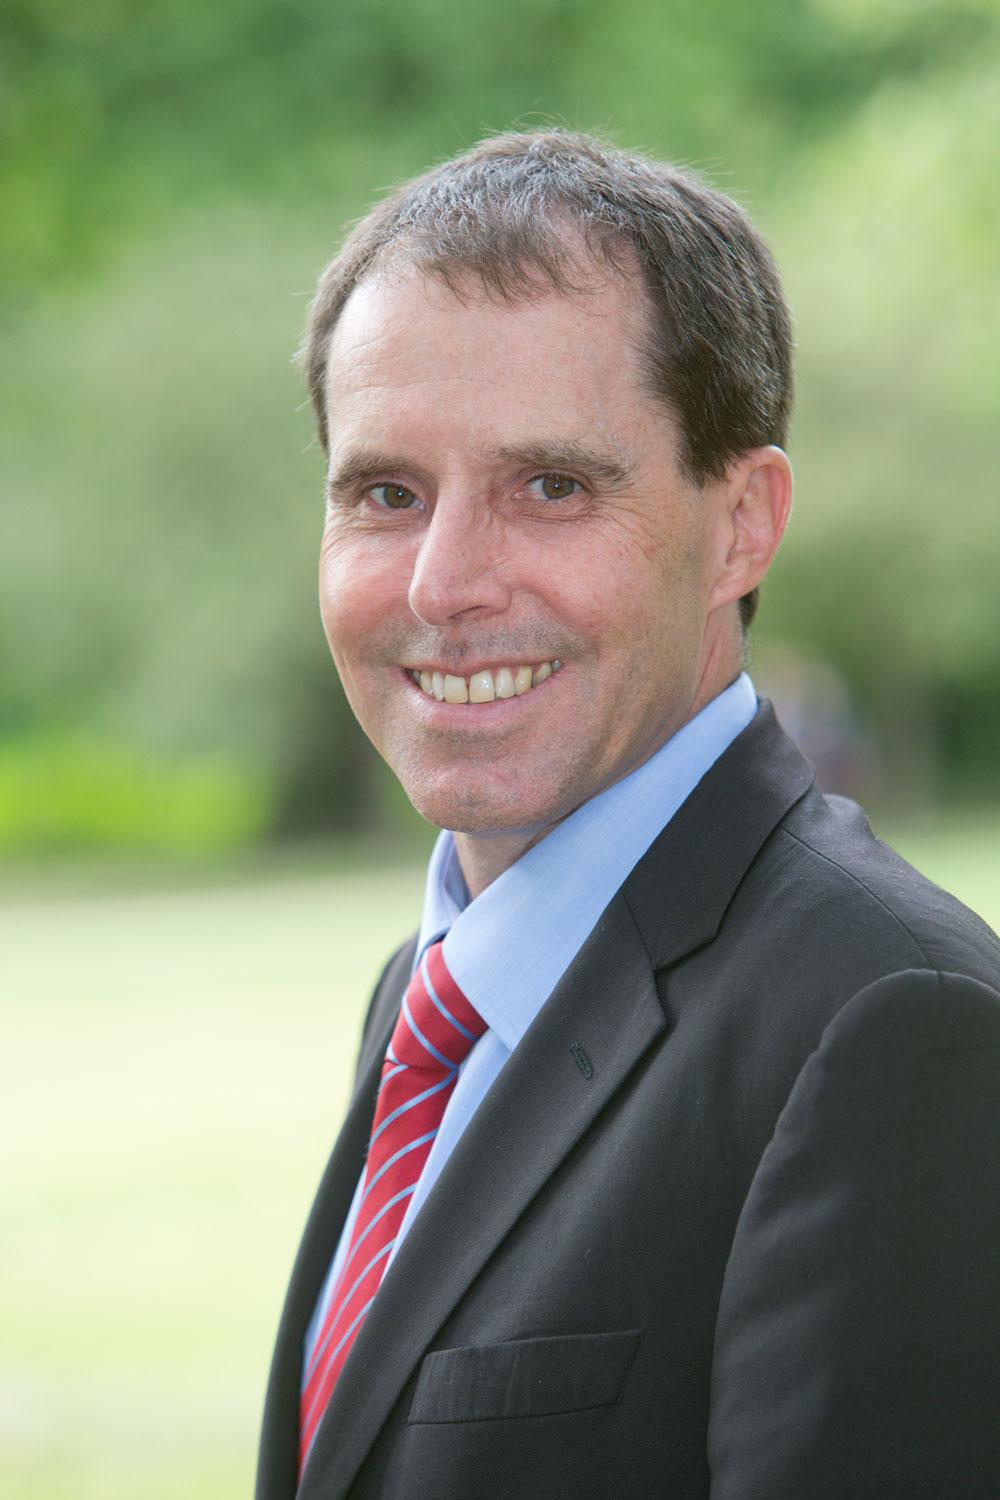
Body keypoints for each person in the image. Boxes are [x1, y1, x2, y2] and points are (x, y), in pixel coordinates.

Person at [256, 131, 1000, 1500]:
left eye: (552, 486)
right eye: (386, 494)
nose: (442, 585)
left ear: (742, 524)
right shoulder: (430, 997)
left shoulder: (898, 1028)